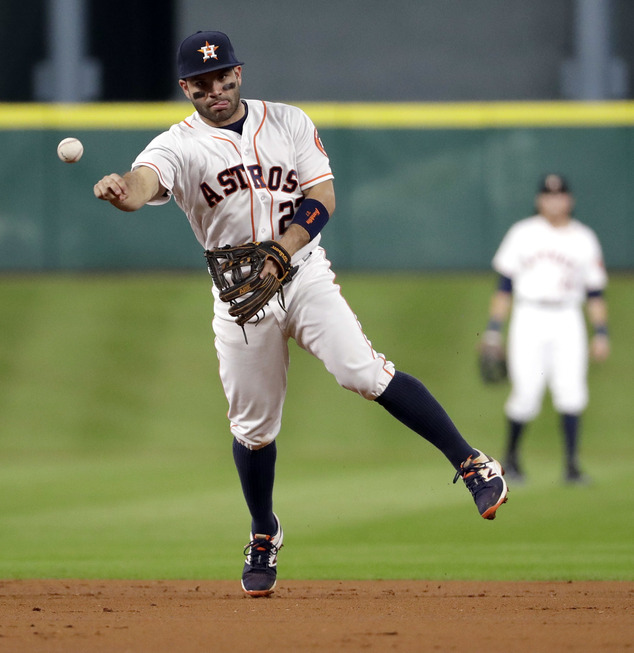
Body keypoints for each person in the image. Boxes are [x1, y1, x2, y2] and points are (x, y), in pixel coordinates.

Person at [94, 30, 508, 597]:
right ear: (186, 87)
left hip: (303, 271)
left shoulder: (288, 121)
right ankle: (264, 530)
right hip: (239, 294)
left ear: (239, 73)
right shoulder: (178, 144)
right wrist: (124, 191)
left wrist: (281, 253)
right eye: (203, 82)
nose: (217, 89)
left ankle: (471, 463)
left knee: (361, 371)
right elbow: (146, 183)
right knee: (253, 429)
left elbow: (322, 199)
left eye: (225, 76)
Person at [482, 173, 609, 485]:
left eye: (560, 195)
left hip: (568, 317)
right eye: (549, 195)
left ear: (569, 200)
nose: (555, 200)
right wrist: (493, 330)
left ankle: (572, 465)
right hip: (530, 316)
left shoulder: (584, 238)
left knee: (572, 391)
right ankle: (510, 460)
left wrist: (601, 332)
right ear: (540, 200)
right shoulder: (522, 233)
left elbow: (594, 292)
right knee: (526, 393)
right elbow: (504, 286)